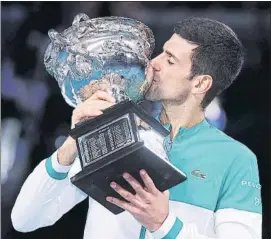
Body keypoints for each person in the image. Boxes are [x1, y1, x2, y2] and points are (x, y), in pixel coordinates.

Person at [11, 17, 262, 239]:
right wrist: (70, 146)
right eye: (161, 52)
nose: (153, 63)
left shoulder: (235, 160)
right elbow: (24, 220)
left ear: (200, 84)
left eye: (170, 60)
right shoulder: (115, 133)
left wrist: (164, 224)